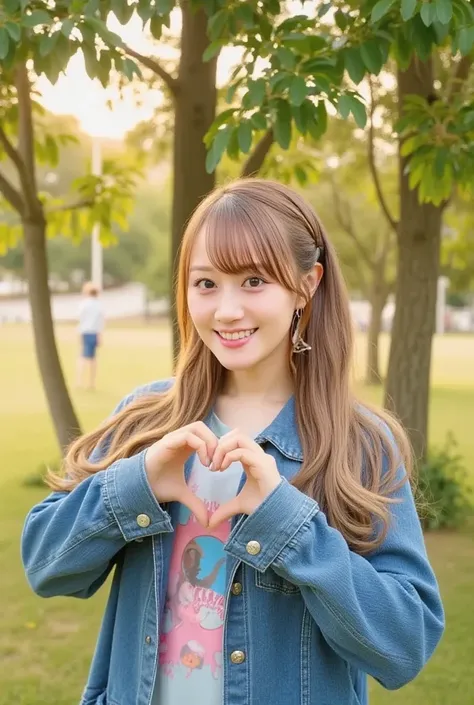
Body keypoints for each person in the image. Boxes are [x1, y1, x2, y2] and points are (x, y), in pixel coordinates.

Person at [21, 179, 444, 705]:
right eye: (206, 283)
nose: (226, 310)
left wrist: (289, 525)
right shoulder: (147, 421)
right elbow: (46, 566)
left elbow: (404, 647)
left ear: (306, 284)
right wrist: (141, 480)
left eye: (252, 281)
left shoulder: (359, 443)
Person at [76, 281, 104, 390]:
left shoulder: (84, 304)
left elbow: (81, 319)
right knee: (93, 358)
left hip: (85, 332)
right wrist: (100, 335)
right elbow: (100, 322)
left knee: (82, 357)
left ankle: (79, 380)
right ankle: (91, 382)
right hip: (95, 333)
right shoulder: (99, 305)